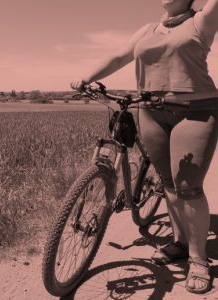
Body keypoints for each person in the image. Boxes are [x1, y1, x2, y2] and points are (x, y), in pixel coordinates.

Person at [71, 0, 218, 294]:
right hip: (150, 110)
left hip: (196, 110)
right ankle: (179, 243)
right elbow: (118, 56)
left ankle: (199, 260)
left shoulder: (201, 21)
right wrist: (88, 77)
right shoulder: (148, 29)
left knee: (188, 186)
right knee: (168, 183)